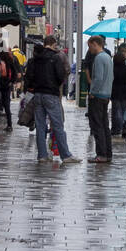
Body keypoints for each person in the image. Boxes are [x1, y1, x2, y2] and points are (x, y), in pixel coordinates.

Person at [25, 35, 80, 165]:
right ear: (54, 44)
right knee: (58, 125)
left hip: (38, 95)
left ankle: (42, 155)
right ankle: (65, 155)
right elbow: (61, 76)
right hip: (51, 94)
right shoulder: (55, 58)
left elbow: (28, 77)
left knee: (40, 126)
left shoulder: (34, 59)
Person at [86, 36, 114, 163]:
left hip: (97, 96)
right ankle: (108, 153)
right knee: (105, 126)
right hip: (106, 95)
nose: (89, 48)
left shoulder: (99, 58)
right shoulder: (108, 57)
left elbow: (98, 78)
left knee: (97, 126)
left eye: (90, 45)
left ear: (96, 44)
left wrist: (92, 92)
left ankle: (101, 154)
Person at [110, 44, 126, 139]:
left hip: (115, 92)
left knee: (117, 111)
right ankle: (125, 128)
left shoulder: (113, 69)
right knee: (125, 111)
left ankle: (117, 128)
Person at [0, 39, 17, 131]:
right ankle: (9, 125)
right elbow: (14, 72)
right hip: (7, 84)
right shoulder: (9, 58)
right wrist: (12, 81)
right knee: (7, 105)